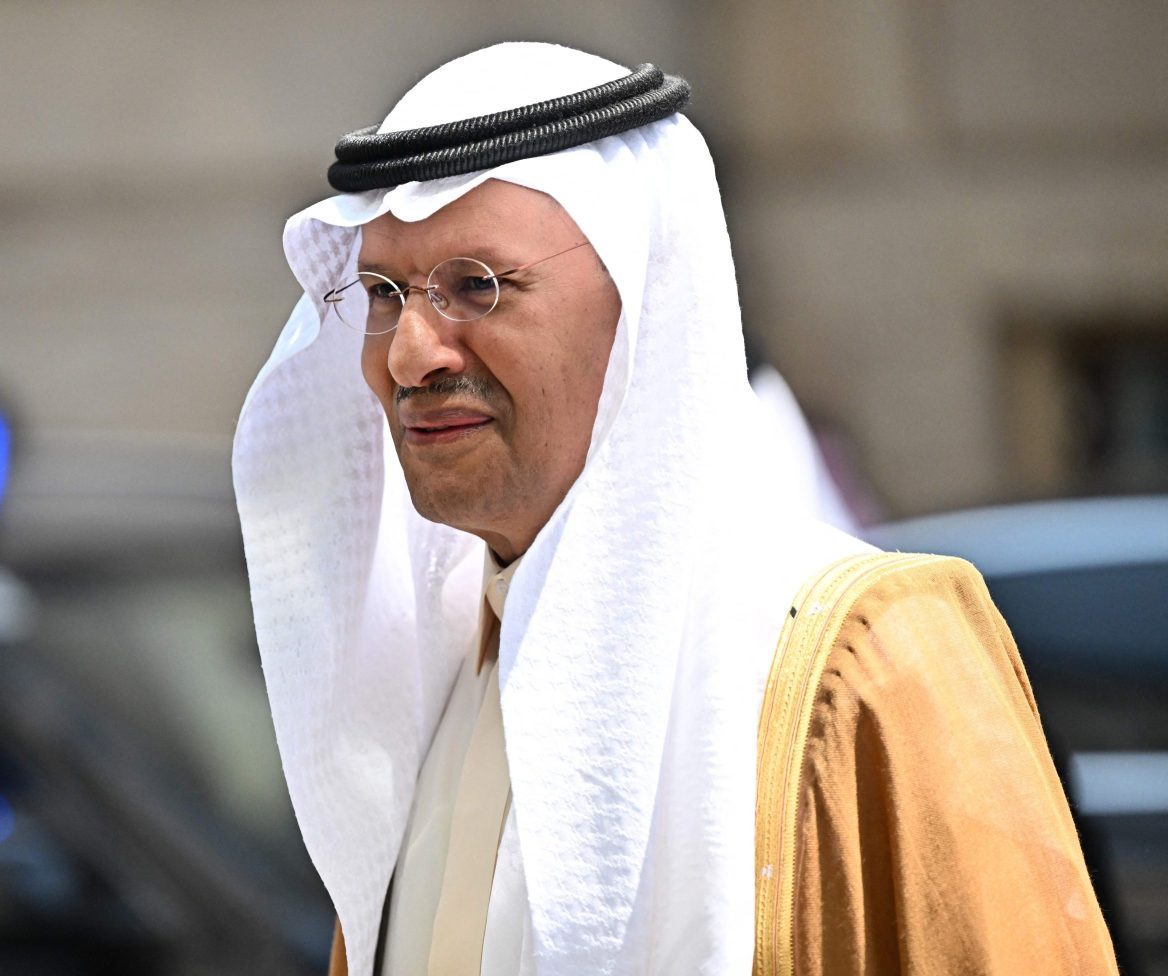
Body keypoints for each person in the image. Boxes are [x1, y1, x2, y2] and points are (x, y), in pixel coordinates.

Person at [232, 43, 1115, 975]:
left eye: (477, 286)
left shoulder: (864, 658)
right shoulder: (434, 682)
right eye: (382, 294)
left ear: (643, 300)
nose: (411, 354)